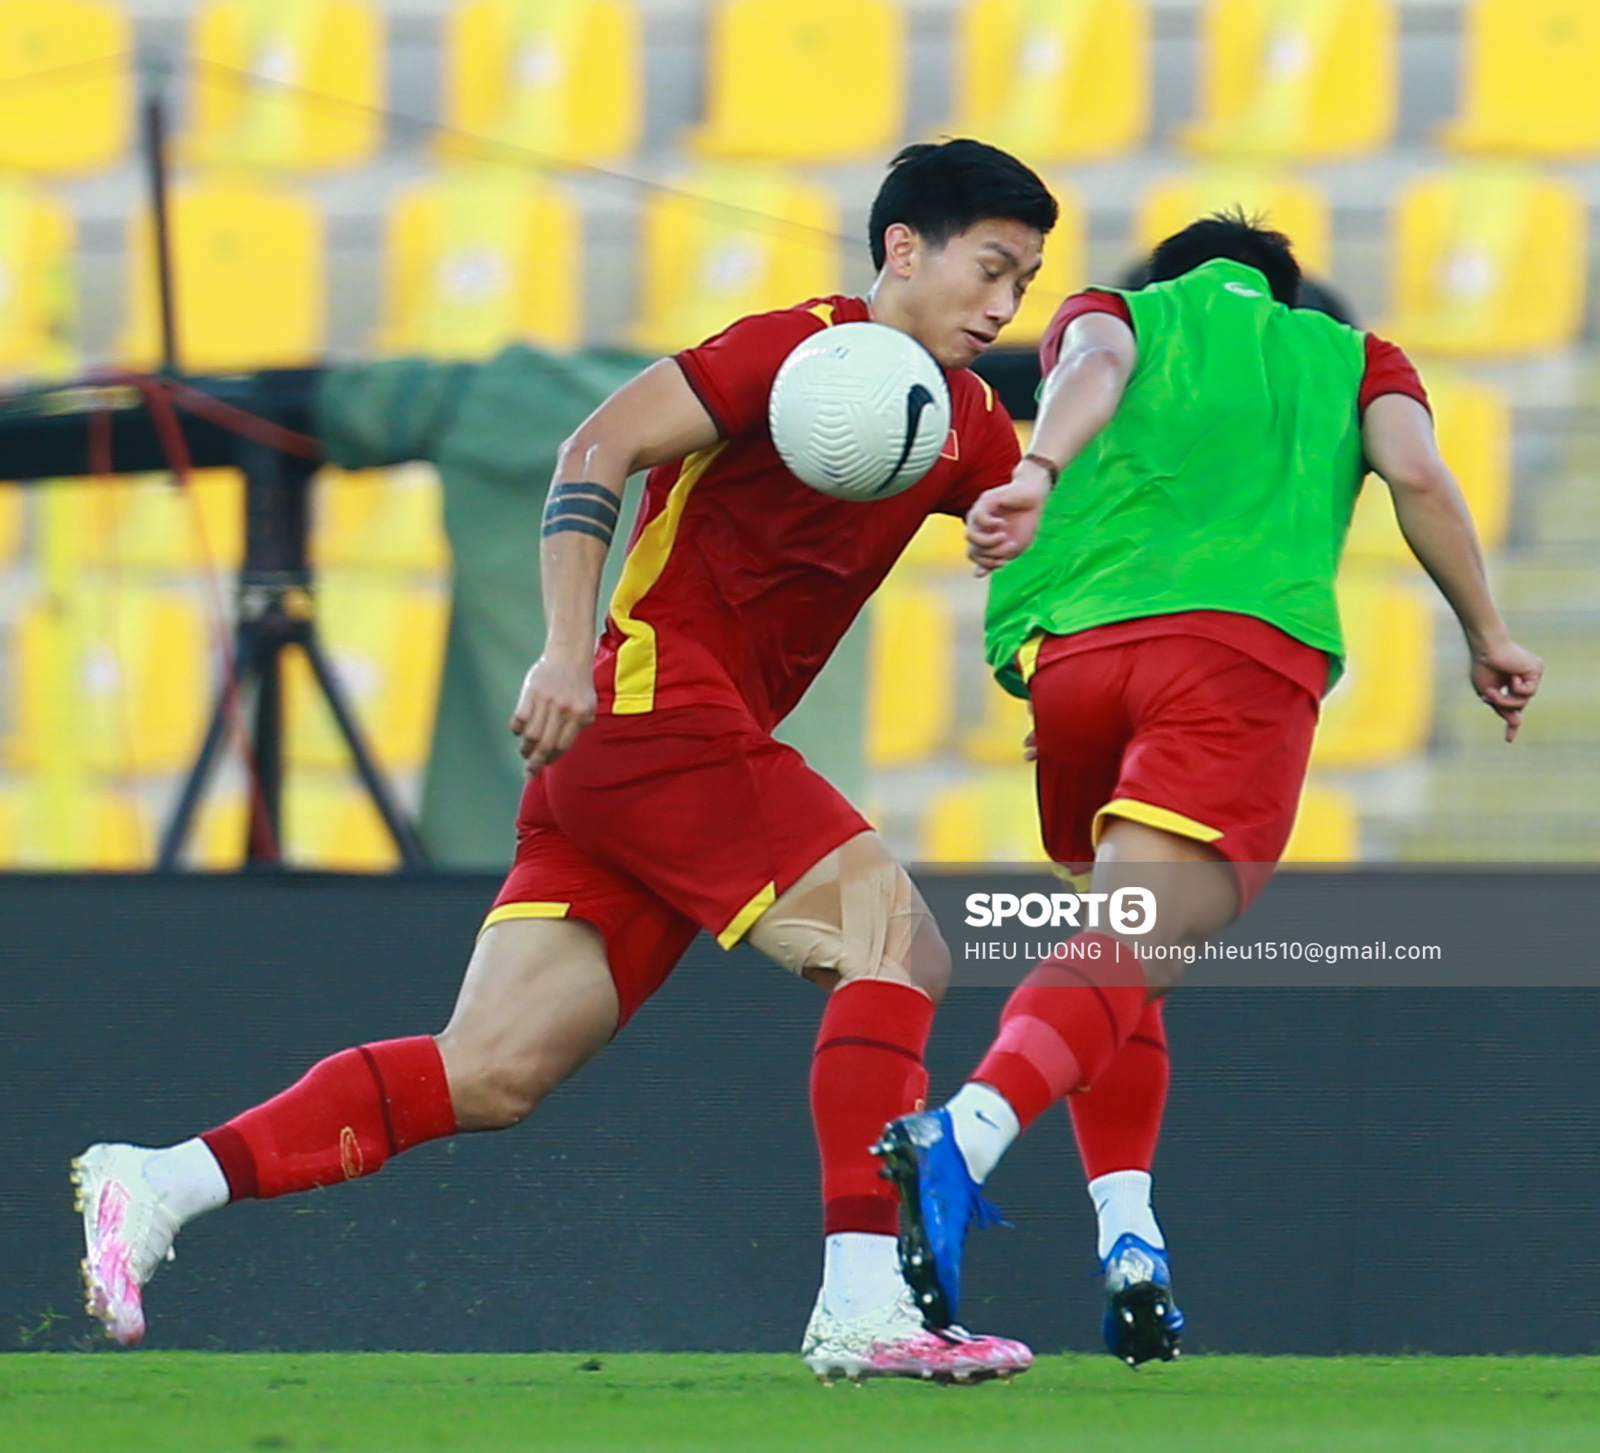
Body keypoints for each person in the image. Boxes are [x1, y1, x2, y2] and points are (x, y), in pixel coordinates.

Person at [72, 140, 1057, 1383]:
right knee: (894, 948)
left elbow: (1031, 547)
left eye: (1022, 284)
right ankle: (861, 1303)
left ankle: (158, 1183)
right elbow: (592, 450)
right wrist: (558, 648)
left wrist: (1032, 628)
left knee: (488, 1072)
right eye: (987, 268)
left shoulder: (965, 419)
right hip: (648, 706)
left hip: (651, 756)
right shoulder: (784, 350)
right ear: (902, 248)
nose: (1000, 306)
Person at [876, 212, 1545, 1365]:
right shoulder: (1352, 356)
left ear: (1166, 278)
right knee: (1133, 941)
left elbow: (1088, 367)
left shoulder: (1116, 314)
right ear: (1290, 296)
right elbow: (1419, 474)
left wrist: (1041, 466)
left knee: (1130, 960)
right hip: (1234, 655)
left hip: (1072, 660)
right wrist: (1486, 632)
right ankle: (964, 1133)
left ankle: (1130, 1238)